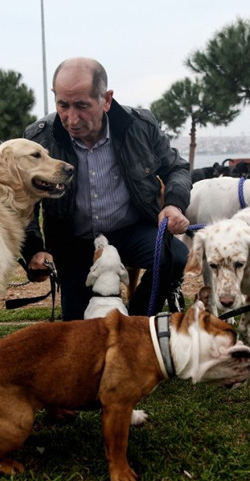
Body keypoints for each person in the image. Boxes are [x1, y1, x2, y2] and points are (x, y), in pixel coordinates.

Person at [21, 57, 191, 321]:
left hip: (130, 232)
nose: (71, 119)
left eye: (82, 106)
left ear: (107, 99)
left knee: (174, 256)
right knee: (79, 329)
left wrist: (173, 204)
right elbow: (22, 200)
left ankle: (136, 320)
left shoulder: (140, 126)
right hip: (73, 241)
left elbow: (177, 168)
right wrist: (34, 249)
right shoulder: (39, 138)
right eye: (63, 105)